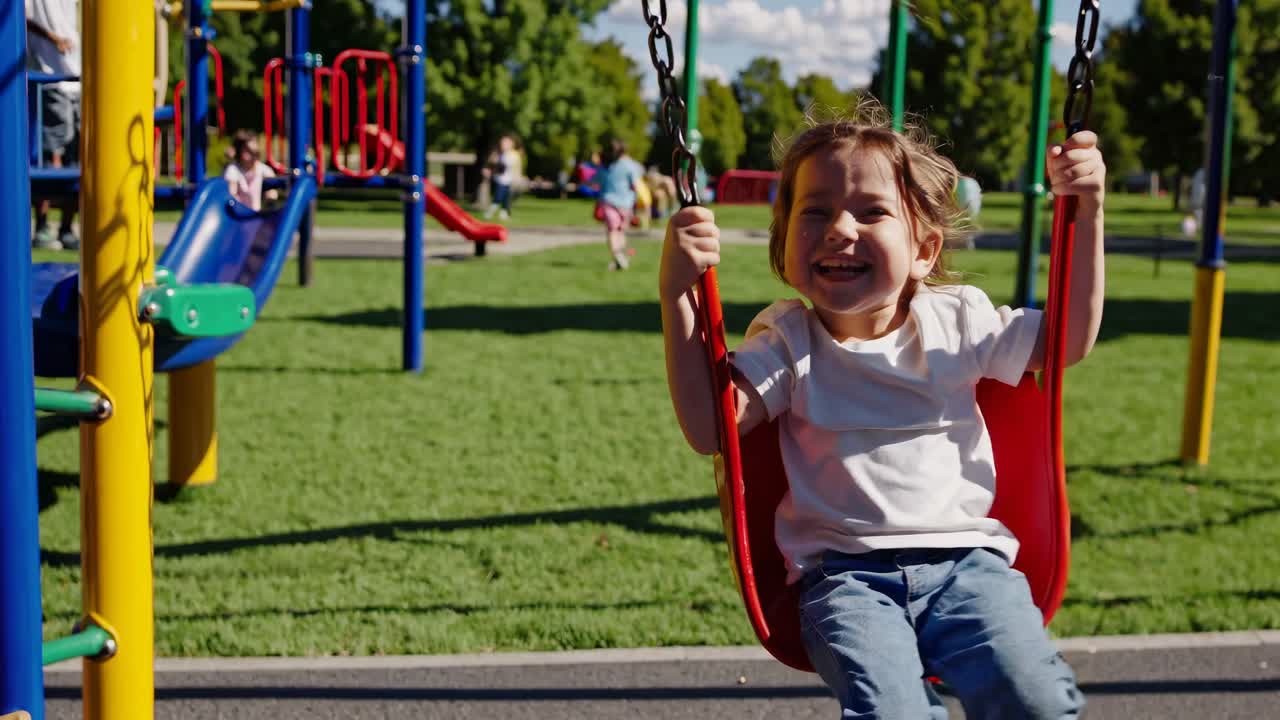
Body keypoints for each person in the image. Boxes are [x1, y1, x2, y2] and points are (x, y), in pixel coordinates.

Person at [659, 106, 1105, 719]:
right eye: (814, 212)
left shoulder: (960, 321)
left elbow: (1065, 343)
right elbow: (712, 428)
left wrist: (1088, 210)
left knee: (1038, 701)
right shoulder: (788, 343)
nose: (840, 228)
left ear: (924, 249)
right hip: (845, 581)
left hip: (969, 569)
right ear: (783, 245)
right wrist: (679, 291)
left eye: (871, 212)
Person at [26, 0, 81, 250]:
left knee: (78, 157)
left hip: (78, 77)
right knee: (53, 156)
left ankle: (68, 227)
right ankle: (44, 226)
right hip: (52, 77)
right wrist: (53, 38)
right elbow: (23, 19)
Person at [593, 138, 645, 270]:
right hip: (626, 204)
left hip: (608, 202)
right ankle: (619, 257)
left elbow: (595, 181)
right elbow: (635, 185)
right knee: (620, 231)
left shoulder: (605, 166)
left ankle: (617, 258)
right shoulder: (631, 166)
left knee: (612, 231)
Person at [223, 130, 277, 211]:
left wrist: (270, 199)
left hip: (255, 212)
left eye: (250, 151)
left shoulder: (262, 168)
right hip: (238, 214)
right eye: (244, 149)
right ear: (239, 151)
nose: (247, 154)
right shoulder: (233, 169)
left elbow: (272, 185)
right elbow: (232, 192)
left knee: (271, 193)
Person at [483, 133, 522, 220]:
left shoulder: (514, 155)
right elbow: (490, 164)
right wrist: (488, 169)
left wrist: (517, 178)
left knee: (506, 198)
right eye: (503, 142)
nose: (504, 144)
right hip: (500, 179)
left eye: (506, 143)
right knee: (498, 197)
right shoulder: (498, 153)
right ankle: (490, 212)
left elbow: (517, 168)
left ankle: (504, 214)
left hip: (509, 180)